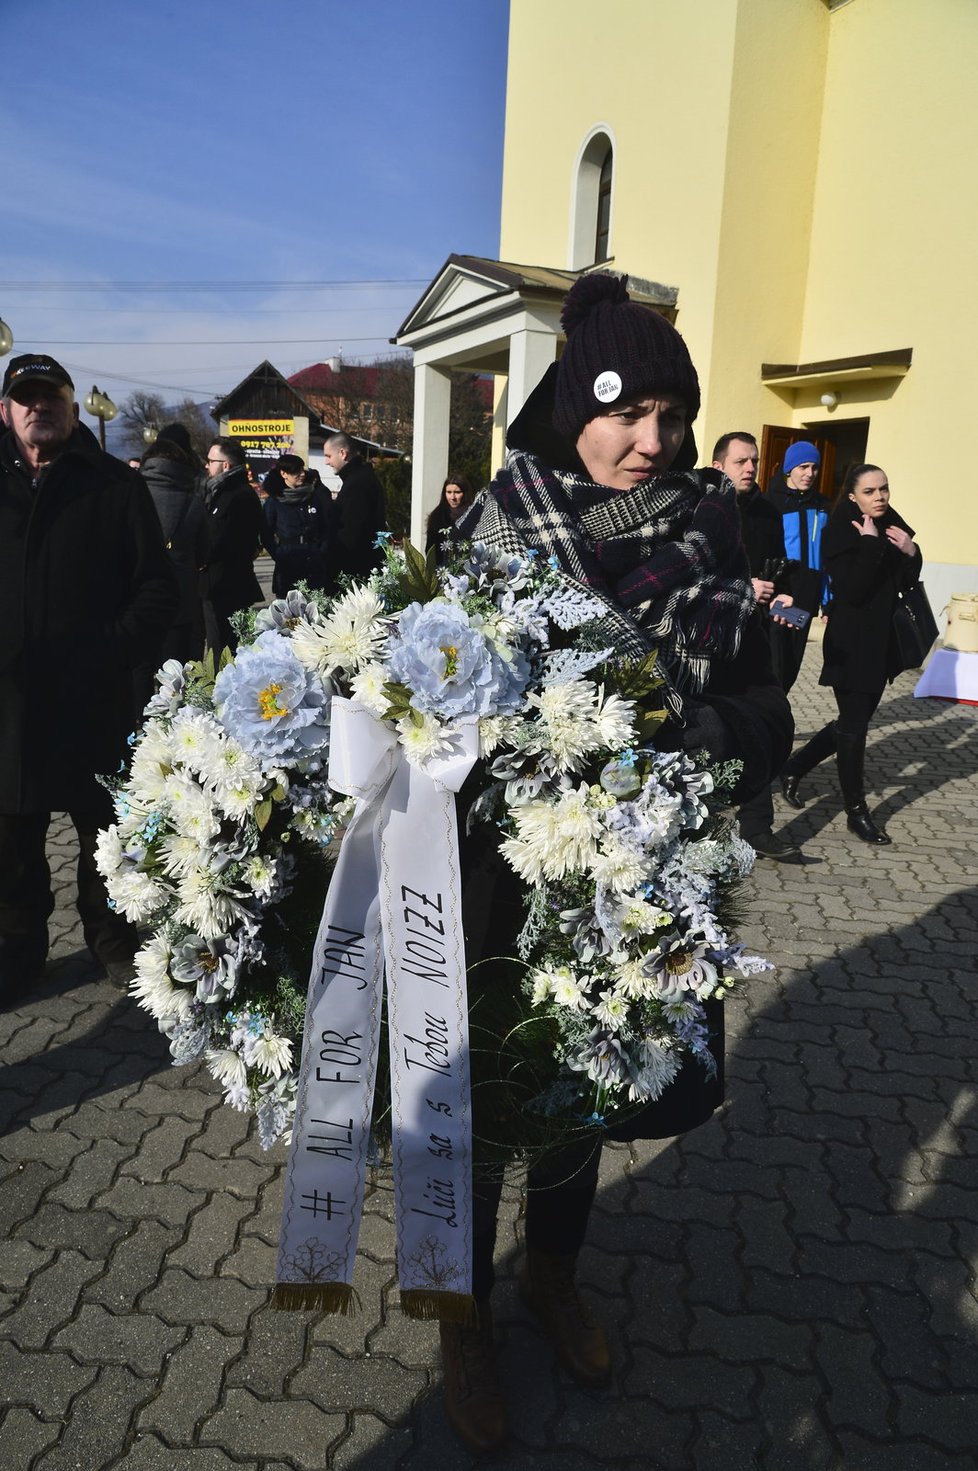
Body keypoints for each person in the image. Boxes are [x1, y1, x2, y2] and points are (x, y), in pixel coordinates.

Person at [442, 274, 793, 1453]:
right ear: (569, 411)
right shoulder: (492, 531)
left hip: (634, 888)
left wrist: (705, 738)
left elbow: (767, 710)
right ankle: (461, 1320)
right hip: (495, 886)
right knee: (484, 1104)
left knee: (583, 1100)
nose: (651, 443)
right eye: (625, 413)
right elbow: (411, 709)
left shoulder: (711, 530)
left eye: (671, 416)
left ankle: (553, 1275)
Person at [0, 354, 177, 1005]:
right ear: (6, 409)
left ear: (73, 409)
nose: (38, 405)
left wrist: (106, 651)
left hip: (92, 698)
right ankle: (19, 950)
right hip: (10, 703)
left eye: (52, 396)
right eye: (26, 396)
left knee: (102, 831)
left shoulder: (112, 484)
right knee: (12, 841)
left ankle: (112, 939)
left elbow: (156, 591)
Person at [780, 464, 921, 845]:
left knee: (852, 720)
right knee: (856, 727)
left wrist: (910, 551)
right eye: (871, 491)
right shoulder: (839, 529)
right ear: (853, 495)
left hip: (883, 641)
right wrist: (872, 544)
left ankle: (795, 766)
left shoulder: (891, 521)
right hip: (852, 642)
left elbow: (905, 579)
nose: (880, 497)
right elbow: (853, 590)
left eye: (884, 489)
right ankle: (856, 812)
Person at [712, 431, 800, 861]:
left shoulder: (767, 511)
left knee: (761, 721)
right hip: (707, 637)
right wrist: (741, 587)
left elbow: (780, 567)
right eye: (740, 461)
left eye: (754, 460)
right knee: (710, 727)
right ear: (718, 467)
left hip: (756, 636)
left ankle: (757, 828)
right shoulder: (700, 509)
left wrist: (782, 594)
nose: (750, 468)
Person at [133, 435, 208, 710]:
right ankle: (173, 728)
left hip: (136, 596)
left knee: (140, 668)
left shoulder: (130, 494)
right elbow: (204, 553)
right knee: (174, 670)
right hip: (180, 597)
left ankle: (139, 728)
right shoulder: (193, 501)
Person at [766, 441, 829, 692]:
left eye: (814, 468)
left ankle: (778, 710)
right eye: (803, 467)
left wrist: (827, 600)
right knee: (776, 660)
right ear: (789, 469)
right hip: (780, 596)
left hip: (807, 597)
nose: (809, 474)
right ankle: (772, 717)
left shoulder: (823, 505)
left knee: (791, 660)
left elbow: (827, 558)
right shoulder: (771, 503)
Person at [200, 437, 264, 655]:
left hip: (228, 585)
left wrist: (201, 558)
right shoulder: (218, 491)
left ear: (225, 465)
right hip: (217, 584)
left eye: (210, 460)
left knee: (226, 650)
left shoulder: (238, 495)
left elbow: (220, 539)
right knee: (218, 645)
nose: (206, 465)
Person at [261, 453, 333, 596]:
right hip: (288, 563)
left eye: (302, 470)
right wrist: (279, 554)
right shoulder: (274, 502)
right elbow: (265, 534)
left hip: (313, 561)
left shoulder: (313, 497)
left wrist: (321, 550)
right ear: (284, 474)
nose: (301, 474)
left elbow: (326, 526)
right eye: (296, 471)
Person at [322, 432, 386, 583]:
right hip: (361, 566)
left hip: (356, 571)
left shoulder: (357, 483)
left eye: (328, 456)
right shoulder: (359, 477)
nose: (326, 462)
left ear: (343, 453)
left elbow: (352, 532)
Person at [425, 472, 475, 561]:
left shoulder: (474, 515)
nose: (452, 497)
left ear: (465, 493)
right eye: (449, 492)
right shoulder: (437, 516)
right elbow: (430, 550)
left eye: (457, 492)